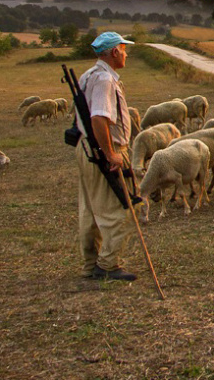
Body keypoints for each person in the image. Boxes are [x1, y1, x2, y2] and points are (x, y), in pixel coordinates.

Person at [76, 31, 138, 281]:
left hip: (87, 150)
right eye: (124, 50)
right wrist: (111, 153)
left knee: (91, 210)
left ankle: (91, 263)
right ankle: (108, 265)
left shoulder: (88, 75)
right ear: (114, 52)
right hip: (103, 151)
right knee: (119, 208)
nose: (126, 54)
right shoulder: (104, 80)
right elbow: (99, 118)